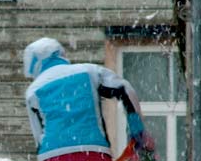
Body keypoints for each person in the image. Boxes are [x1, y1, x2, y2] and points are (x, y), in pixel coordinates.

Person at [23, 37, 155, 161]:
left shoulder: (33, 91)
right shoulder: (88, 71)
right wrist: (137, 130)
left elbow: (38, 136)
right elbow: (124, 89)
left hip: (51, 155)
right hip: (92, 150)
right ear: (59, 54)